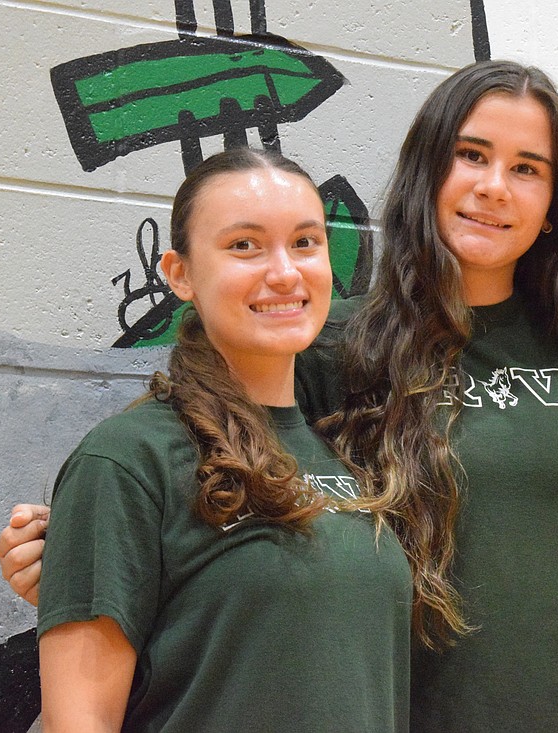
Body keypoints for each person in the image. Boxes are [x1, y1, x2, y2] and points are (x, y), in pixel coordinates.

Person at [0, 60, 558, 732]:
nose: (494, 187)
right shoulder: (333, 345)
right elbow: (203, 465)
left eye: (527, 168)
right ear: (429, 170)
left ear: (555, 204)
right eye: (471, 155)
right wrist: (89, 554)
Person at [34, 148, 412, 732]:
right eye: (245, 246)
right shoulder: (128, 460)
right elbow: (79, 721)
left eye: (306, 243)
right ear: (179, 274)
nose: (285, 271)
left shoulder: (347, 457)